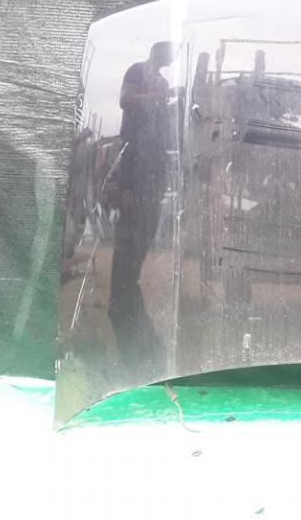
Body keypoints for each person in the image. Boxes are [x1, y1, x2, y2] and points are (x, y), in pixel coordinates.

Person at [109, 41, 175, 363]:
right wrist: (125, 184)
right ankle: (120, 304)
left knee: (144, 236)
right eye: (170, 54)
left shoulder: (162, 81)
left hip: (154, 168)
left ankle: (129, 295)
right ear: (157, 52)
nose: (172, 60)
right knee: (129, 239)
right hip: (135, 164)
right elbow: (124, 101)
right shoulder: (137, 71)